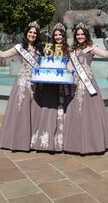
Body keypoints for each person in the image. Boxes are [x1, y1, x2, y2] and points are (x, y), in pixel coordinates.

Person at [0, 21, 43, 151]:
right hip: (23, 83)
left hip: (37, 84)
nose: (32, 34)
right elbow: (2, 55)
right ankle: (18, 141)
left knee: (34, 111)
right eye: (30, 32)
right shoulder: (20, 47)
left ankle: (32, 141)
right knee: (21, 111)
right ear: (26, 33)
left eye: (35, 33)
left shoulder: (41, 48)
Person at [64, 22, 108, 154]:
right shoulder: (72, 50)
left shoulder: (91, 48)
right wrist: (66, 74)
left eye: (82, 34)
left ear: (86, 35)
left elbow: (107, 54)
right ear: (75, 36)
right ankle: (75, 143)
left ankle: (93, 142)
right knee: (76, 110)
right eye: (78, 34)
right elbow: (69, 65)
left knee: (90, 112)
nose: (80, 36)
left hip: (88, 83)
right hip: (75, 83)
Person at [31, 23, 70, 151]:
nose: (58, 37)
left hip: (62, 85)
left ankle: (60, 142)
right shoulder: (48, 48)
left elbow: (70, 66)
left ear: (64, 36)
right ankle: (44, 140)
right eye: (56, 35)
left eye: (60, 34)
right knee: (48, 110)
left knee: (60, 110)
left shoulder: (68, 49)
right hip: (49, 84)